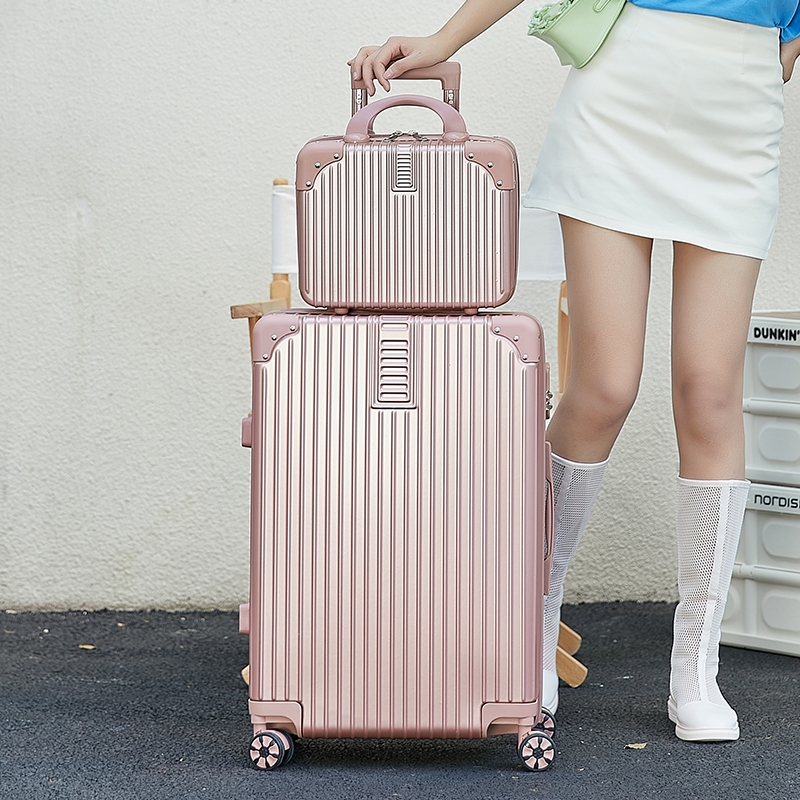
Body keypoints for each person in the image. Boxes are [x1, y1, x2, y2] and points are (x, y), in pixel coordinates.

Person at [350, 0, 800, 742]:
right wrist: (443, 39)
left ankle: (696, 670)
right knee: (604, 386)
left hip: (739, 104)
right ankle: (530, 625)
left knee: (710, 393)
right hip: (623, 89)